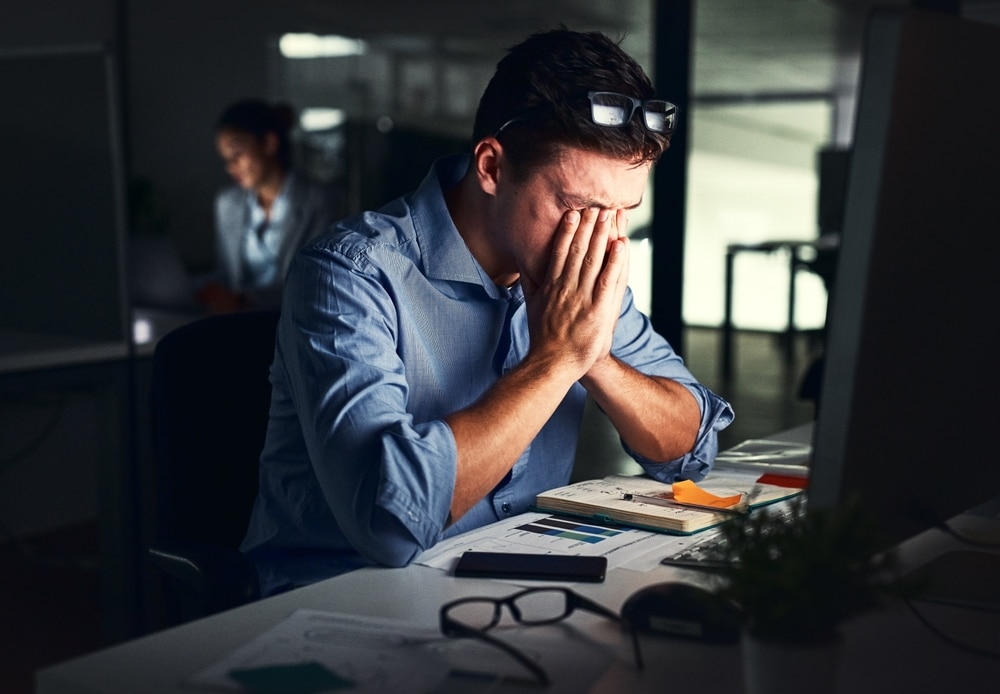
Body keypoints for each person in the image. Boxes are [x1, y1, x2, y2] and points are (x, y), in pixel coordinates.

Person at [242, 29, 734, 596]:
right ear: (493, 168)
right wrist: (556, 361)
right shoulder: (348, 273)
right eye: (579, 209)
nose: (602, 240)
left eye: (624, 213)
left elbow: (692, 452)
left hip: (504, 591)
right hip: (333, 604)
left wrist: (593, 358)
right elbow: (388, 526)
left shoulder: (577, 272)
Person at [198, 99, 341, 312]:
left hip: (294, 322)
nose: (230, 167)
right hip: (236, 324)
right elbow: (225, 274)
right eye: (226, 159)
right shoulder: (227, 203)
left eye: (237, 154)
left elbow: (316, 279)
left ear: (269, 144)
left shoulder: (318, 201)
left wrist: (246, 299)